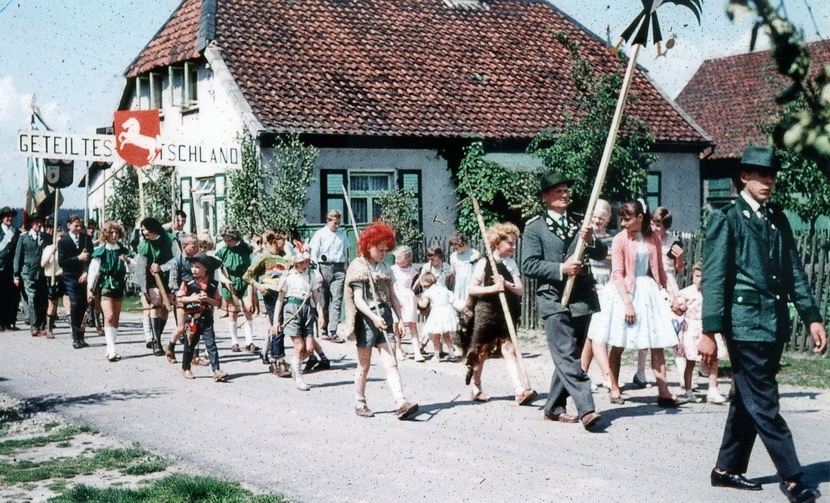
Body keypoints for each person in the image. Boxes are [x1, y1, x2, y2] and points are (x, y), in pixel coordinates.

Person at [701, 146, 826, 501]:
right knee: (765, 400)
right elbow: (713, 279)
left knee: (749, 398)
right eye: (761, 175)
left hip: (772, 323)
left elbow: (793, 273)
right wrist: (709, 332)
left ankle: (726, 469)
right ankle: (793, 478)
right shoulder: (727, 219)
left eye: (772, 175)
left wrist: (812, 317)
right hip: (743, 324)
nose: (768, 181)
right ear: (744, 177)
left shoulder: (776, 218)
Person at [521, 173, 602, 430]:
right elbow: (529, 265)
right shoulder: (535, 228)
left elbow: (601, 252)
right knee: (566, 354)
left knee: (570, 355)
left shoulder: (580, 222)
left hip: (581, 299)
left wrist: (591, 240)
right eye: (558, 191)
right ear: (545, 197)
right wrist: (561, 268)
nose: (565, 195)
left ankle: (554, 406)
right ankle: (586, 408)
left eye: (566, 190)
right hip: (553, 298)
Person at [588, 200, 686, 407]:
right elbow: (617, 273)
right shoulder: (619, 240)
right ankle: (614, 387)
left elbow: (659, 270)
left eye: (627, 219)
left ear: (640, 218)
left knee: (657, 345)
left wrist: (672, 296)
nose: (623, 223)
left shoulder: (654, 239)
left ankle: (664, 391)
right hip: (625, 293)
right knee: (619, 343)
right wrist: (627, 304)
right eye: (621, 219)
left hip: (648, 293)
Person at [344, 221, 418, 420]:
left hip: (384, 314)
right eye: (380, 249)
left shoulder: (386, 268)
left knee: (391, 362)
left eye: (387, 250)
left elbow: (393, 295)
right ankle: (360, 402)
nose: (384, 253)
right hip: (367, 319)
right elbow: (358, 299)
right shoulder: (358, 266)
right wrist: (374, 317)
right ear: (369, 246)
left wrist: (399, 319)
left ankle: (400, 402)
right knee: (364, 364)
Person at [466, 222, 537, 406]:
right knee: (482, 351)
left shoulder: (511, 263)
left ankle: (519, 390)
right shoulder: (484, 262)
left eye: (514, 243)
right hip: (487, 311)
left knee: (509, 350)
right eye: (510, 243)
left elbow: (520, 289)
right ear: (497, 243)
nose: (514, 247)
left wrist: (505, 284)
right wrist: (492, 288)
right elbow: (472, 289)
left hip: (508, 311)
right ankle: (476, 387)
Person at [272, 251, 325, 391]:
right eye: (301, 263)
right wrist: (276, 320)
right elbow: (280, 299)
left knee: (309, 348)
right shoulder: (288, 277)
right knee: (299, 346)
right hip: (292, 308)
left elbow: (316, 297)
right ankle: (299, 377)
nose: (304, 265)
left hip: (307, 309)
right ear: (295, 263)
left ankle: (294, 364)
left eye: (307, 262)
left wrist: (321, 315)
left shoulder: (310, 276)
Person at [675, 262, 727, 404]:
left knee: (713, 360)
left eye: (703, 277)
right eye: (697, 276)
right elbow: (680, 310)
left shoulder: (712, 294)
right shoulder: (686, 292)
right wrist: (676, 307)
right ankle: (688, 390)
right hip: (691, 328)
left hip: (708, 328)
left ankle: (712, 390)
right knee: (690, 361)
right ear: (692, 275)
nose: (699, 280)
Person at [177, 254, 228, 382]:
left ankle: (216, 370)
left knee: (211, 344)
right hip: (192, 318)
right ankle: (186, 368)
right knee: (190, 344)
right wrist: (192, 298)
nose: (193, 270)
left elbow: (218, 302)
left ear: (205, 269)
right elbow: (180, 298)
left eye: (197, 267)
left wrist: (208, 300)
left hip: (206, 318)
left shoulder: (212, 284)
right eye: (192, 267)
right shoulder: (187, 282)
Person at [86, 221, 131, 362]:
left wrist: (127, 262)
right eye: (111, 233)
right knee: (109, 316)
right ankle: (111, 350)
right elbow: (93, 272)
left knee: (116, 318)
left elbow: (133, 268)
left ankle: (111, 347)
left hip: (119, 286)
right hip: (105, 286)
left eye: (116, 233)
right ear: (105, 235)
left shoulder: (123, 251)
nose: (114, 235)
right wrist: (90, 290)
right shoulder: (100, 251)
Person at [582, 199, 613, 389]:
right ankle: (607, 376)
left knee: (596, 335)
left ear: (608, 219)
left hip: (607, 290)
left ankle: (583, 374)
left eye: (601, 217)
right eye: (594, 217)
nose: (597, 220)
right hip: (589, 290)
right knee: (593, 334)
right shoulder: (584, 238)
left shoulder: (612, 239)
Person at [136, 217, 179, 356]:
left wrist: (162, 267)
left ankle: (157, 336)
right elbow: (140, 267)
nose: (143, 233)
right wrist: (143, 289)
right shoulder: (144, 245)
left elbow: (178, 259)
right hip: (151, 278)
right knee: (156, 303)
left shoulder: (170, 239)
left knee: (166, 307)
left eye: (144, 229)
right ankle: (156, 341)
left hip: (169, 275)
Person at [309, 209, 349, 343]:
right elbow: (313, 255)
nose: (337, 226)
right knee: (323, 301)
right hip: (323, 267)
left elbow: (345, 252)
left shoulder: (342, 234)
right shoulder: (320, 234)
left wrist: (345, 267)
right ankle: (323, 329)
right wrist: (316, 272)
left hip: (338, 269)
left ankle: (333, 331)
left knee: (337, 301)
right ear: (328, 221)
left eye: (338, 223)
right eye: (334, 223)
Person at [216, 225, 258, 353]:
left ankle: (249, 341)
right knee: (232, 312)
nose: (228, 243)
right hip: (229, 282)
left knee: (248, 309)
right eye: (225, 240)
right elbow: (217, 269)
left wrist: (252, 283)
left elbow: (252, 266)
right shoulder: (222, 250)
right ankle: (234, 342)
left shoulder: (246, 248)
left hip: (245, 281)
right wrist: (225, 280)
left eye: (230, 240)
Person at [58, 214, 94, 348]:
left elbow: (91, 258)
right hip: (70, 277)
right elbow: (62, 262)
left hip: (84, 276)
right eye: (76, 226)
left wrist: (86, 272)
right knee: (75, 304)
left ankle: (82, 336)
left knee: (84, 305)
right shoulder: (63, 242)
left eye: (80, 226)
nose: (79, 228)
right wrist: (78, 258)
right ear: (69, 225)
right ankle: (75, 337)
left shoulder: (86, 239)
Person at [13, 213, 50, 336]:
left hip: (42, 272)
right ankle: (34, 325)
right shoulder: (24, 238)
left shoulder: (46, 237)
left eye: (40, 222)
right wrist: (16, 274)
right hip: (28, 272)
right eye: (36, 222)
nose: (39, 225)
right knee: (32, 297)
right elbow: (18, 257)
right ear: (31, 224)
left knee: (42, 298)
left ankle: (42, 325)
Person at [417, 271, 464, 363]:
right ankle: (451, 353)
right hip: (447, 313)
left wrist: (418, 300)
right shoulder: (443, 289)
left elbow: (423, 304)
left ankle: (437, 355)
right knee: (446, 335)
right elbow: (452, 299)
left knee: (436, 335)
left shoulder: (428, 292)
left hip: (437, 314)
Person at [391, 245, 422, 361]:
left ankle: (417, 351)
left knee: (412, 324)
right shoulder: (393, 269)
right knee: (397, 324)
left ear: (408, 259)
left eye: (400, 259)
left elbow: (420, 277)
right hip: (396, 297)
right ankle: (398, 349)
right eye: (397, 259)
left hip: (408, 298)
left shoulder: (412, 270)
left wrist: (412, 290)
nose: (397, 261)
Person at [41, 229, 66, 339]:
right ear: (54, 238)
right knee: (52, 304)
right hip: (52, 277)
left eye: (62, 238)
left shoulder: (65, 249)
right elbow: (43, 264)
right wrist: (52, 252)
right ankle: (49, 329)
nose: (60, 240)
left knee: (68, 303)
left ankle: (74, 330)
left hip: (63, 277)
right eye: (58, 238)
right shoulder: (49, 248)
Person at [0, 206, 21, 331]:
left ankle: (11, 321)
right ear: (2, 218)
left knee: (13, 296)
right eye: (7, 216)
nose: (9, 218)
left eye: (11, 216)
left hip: (12, 269)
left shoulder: (16, 233)